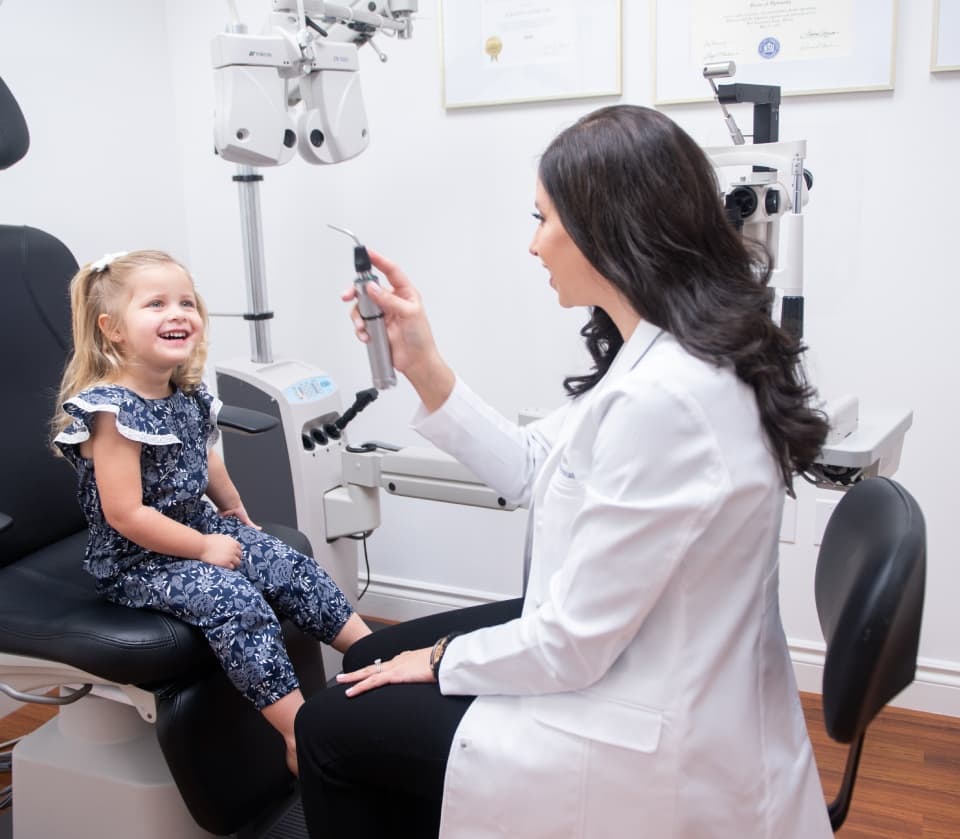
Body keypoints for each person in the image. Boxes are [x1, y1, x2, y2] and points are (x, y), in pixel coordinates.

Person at [295, 104, 834, 838]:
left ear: (606, 229)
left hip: (647, 721)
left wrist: (444, 656)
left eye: (543, 219)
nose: (533, 244)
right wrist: (421, 362)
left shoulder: (668, 397)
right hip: (642, 648)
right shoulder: (671, 353)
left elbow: (572, 644)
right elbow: (534, 468)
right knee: (374, 654)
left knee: (329, 726)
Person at [50, 249, 371, 776]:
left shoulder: (184, 391)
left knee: (285, 562)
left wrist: (235, 510)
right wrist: (202, 548)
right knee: (235, 598)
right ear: (112, 329)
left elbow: (206, 454)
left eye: (185, 302)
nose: (177, 313)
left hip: (195, 528)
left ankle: (374, 655)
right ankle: (298, 731)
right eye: (155, 304)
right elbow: (126, 515)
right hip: (136, 561)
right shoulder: (111, 411)